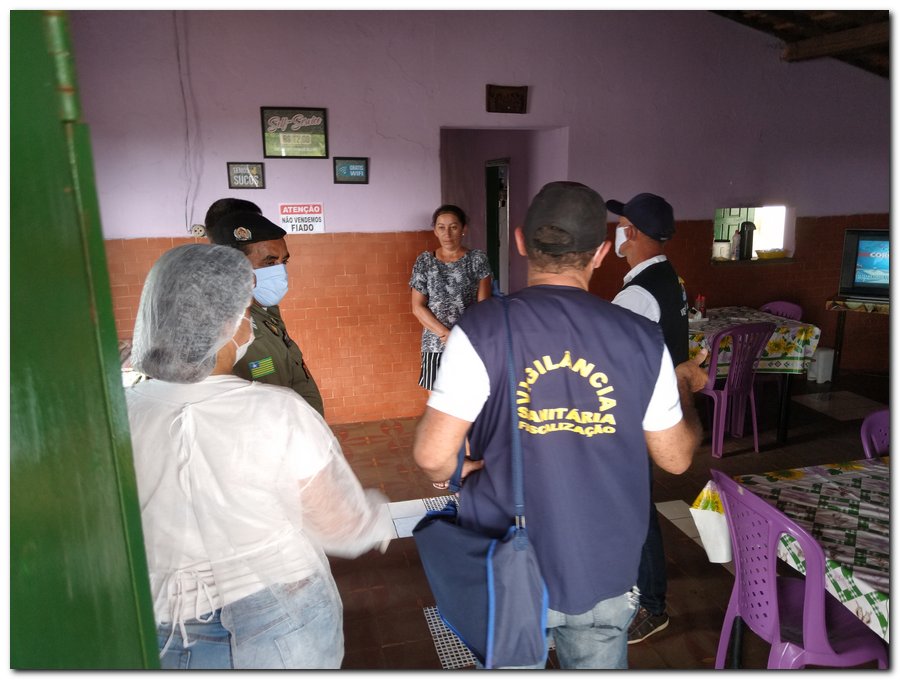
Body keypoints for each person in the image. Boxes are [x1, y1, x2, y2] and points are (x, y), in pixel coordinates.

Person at [412, 181, 706, 669]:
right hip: (603, 555)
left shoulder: (481, 328)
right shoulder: (640, 337)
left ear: (523, 241)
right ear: (601, 252)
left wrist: (456, 468)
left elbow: (430, 456)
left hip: (508, 552)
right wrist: (683, 388)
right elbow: (675, 459)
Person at [126, 244, 394, 669]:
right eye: (244, 310)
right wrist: (377, 519)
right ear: (229, 325)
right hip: (280, 615)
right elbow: (341, 525)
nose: (248, 321)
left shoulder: (118, 416)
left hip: (164, 628)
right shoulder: (277, 411)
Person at [606, 192, 689, 645]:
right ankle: (639, 588)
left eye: (620, 224)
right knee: (636, 507)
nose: (618, 231)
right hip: (660, 411)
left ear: (631, 233)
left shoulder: (637, 293)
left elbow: (607, 362)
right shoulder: (669, 278)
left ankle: (652, 606)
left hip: (635, 416)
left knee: (637, 512)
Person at [206, 207, 325, 417]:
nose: (280, 271)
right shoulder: (230, 328)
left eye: (284, 261)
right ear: (235, 266)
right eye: (270, 262)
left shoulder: (266, 310)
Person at [409, 204, 492, 391]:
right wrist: (446, 334)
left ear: (464, 229)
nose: (447, 233)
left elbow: (484, 307)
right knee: (437, 399)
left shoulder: (477, 259)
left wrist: (460, 337)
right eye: (441, 227)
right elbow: (418, 307)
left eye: (453, 227)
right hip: (435, 344)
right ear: (435, 231)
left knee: (469, 396)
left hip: (469, 342)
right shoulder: (424, 262)